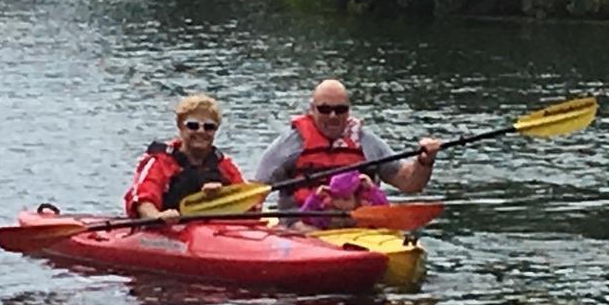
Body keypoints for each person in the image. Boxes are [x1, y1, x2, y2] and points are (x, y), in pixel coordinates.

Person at [251, 78, 440, 209]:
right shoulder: (289, 145)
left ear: (348, 111)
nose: (333, 116)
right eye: (325, 109)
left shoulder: (366, 142)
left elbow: (409, 183)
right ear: (312, 111)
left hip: (359, 228)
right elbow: (255, 191)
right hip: (303, 231)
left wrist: (424, 162)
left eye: (340, 109)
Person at [125, 95, 247, 219]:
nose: (201, 131)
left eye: (209, 127)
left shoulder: (224, 164)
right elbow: (143, 199)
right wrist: (157, 216)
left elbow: (246, 198)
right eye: (193, 125)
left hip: (214, 231)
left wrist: (223, 194)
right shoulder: (160, 161)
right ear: (180, 126)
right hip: (167, 230)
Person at [294, 167, 390, 225]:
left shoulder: (365, 205)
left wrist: (372, 190)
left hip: (365, 238)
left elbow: (385, 210)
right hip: (334, 241)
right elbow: (305, 218)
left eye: (346, 199)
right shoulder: (326, 209)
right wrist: (315, 198)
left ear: (356, 196)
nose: (341, 204)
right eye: (336, 198)